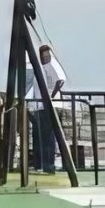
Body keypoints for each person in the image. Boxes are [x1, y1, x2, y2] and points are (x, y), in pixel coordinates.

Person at [26, 44, 67, 174]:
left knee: (48, 136)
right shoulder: (42, 67)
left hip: (49, 106)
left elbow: (60, 80)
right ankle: (40, 164)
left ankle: (49, 165)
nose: (45, 58)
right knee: (40, 136)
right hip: (39, 106)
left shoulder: (52, 65)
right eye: (43, 56)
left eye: (47, 55)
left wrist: (50, 97)